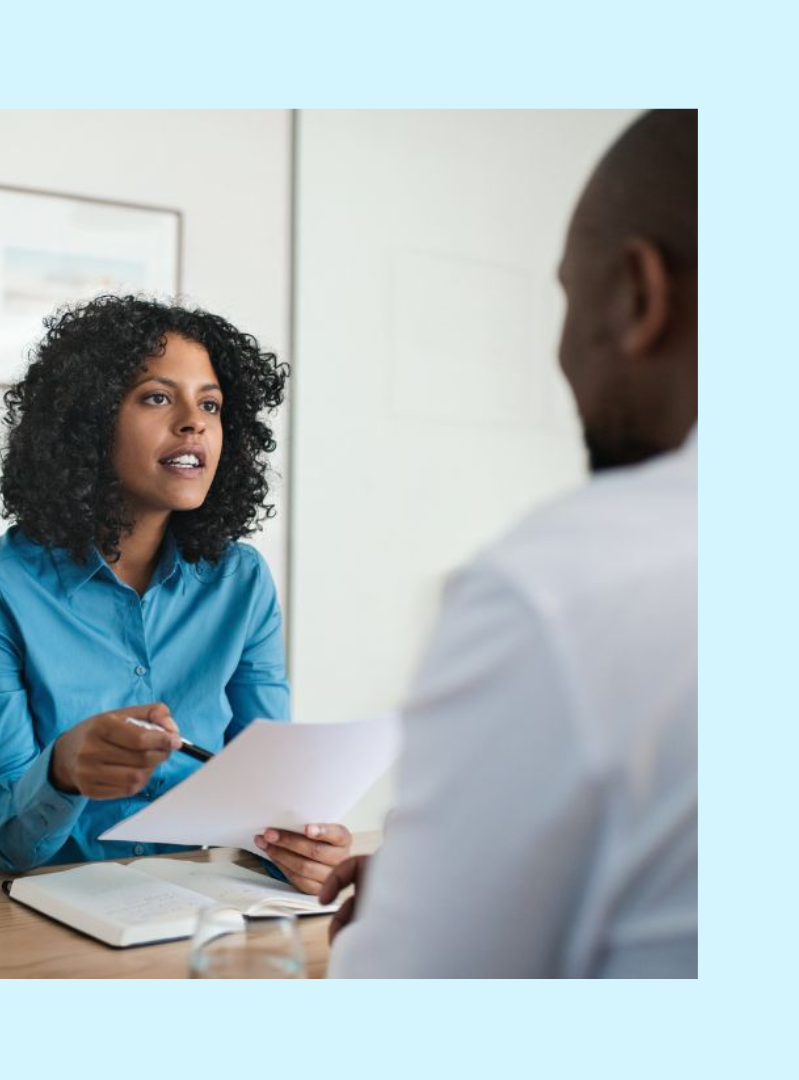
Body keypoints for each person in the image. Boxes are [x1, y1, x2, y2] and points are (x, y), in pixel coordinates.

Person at [321, 109, 698, 977]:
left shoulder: (562, 591)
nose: (562, 356)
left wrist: (421, 904)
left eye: (568, 296)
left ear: (639, 295)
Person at [0, 295, 351, 888]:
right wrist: (63, 771)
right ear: (87, 421)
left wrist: (298, 849)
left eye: (210, 404)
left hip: (185, 895)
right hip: (24, 904)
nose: (195, 422)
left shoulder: (241, 581)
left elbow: (268, 794)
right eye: (158, 398)